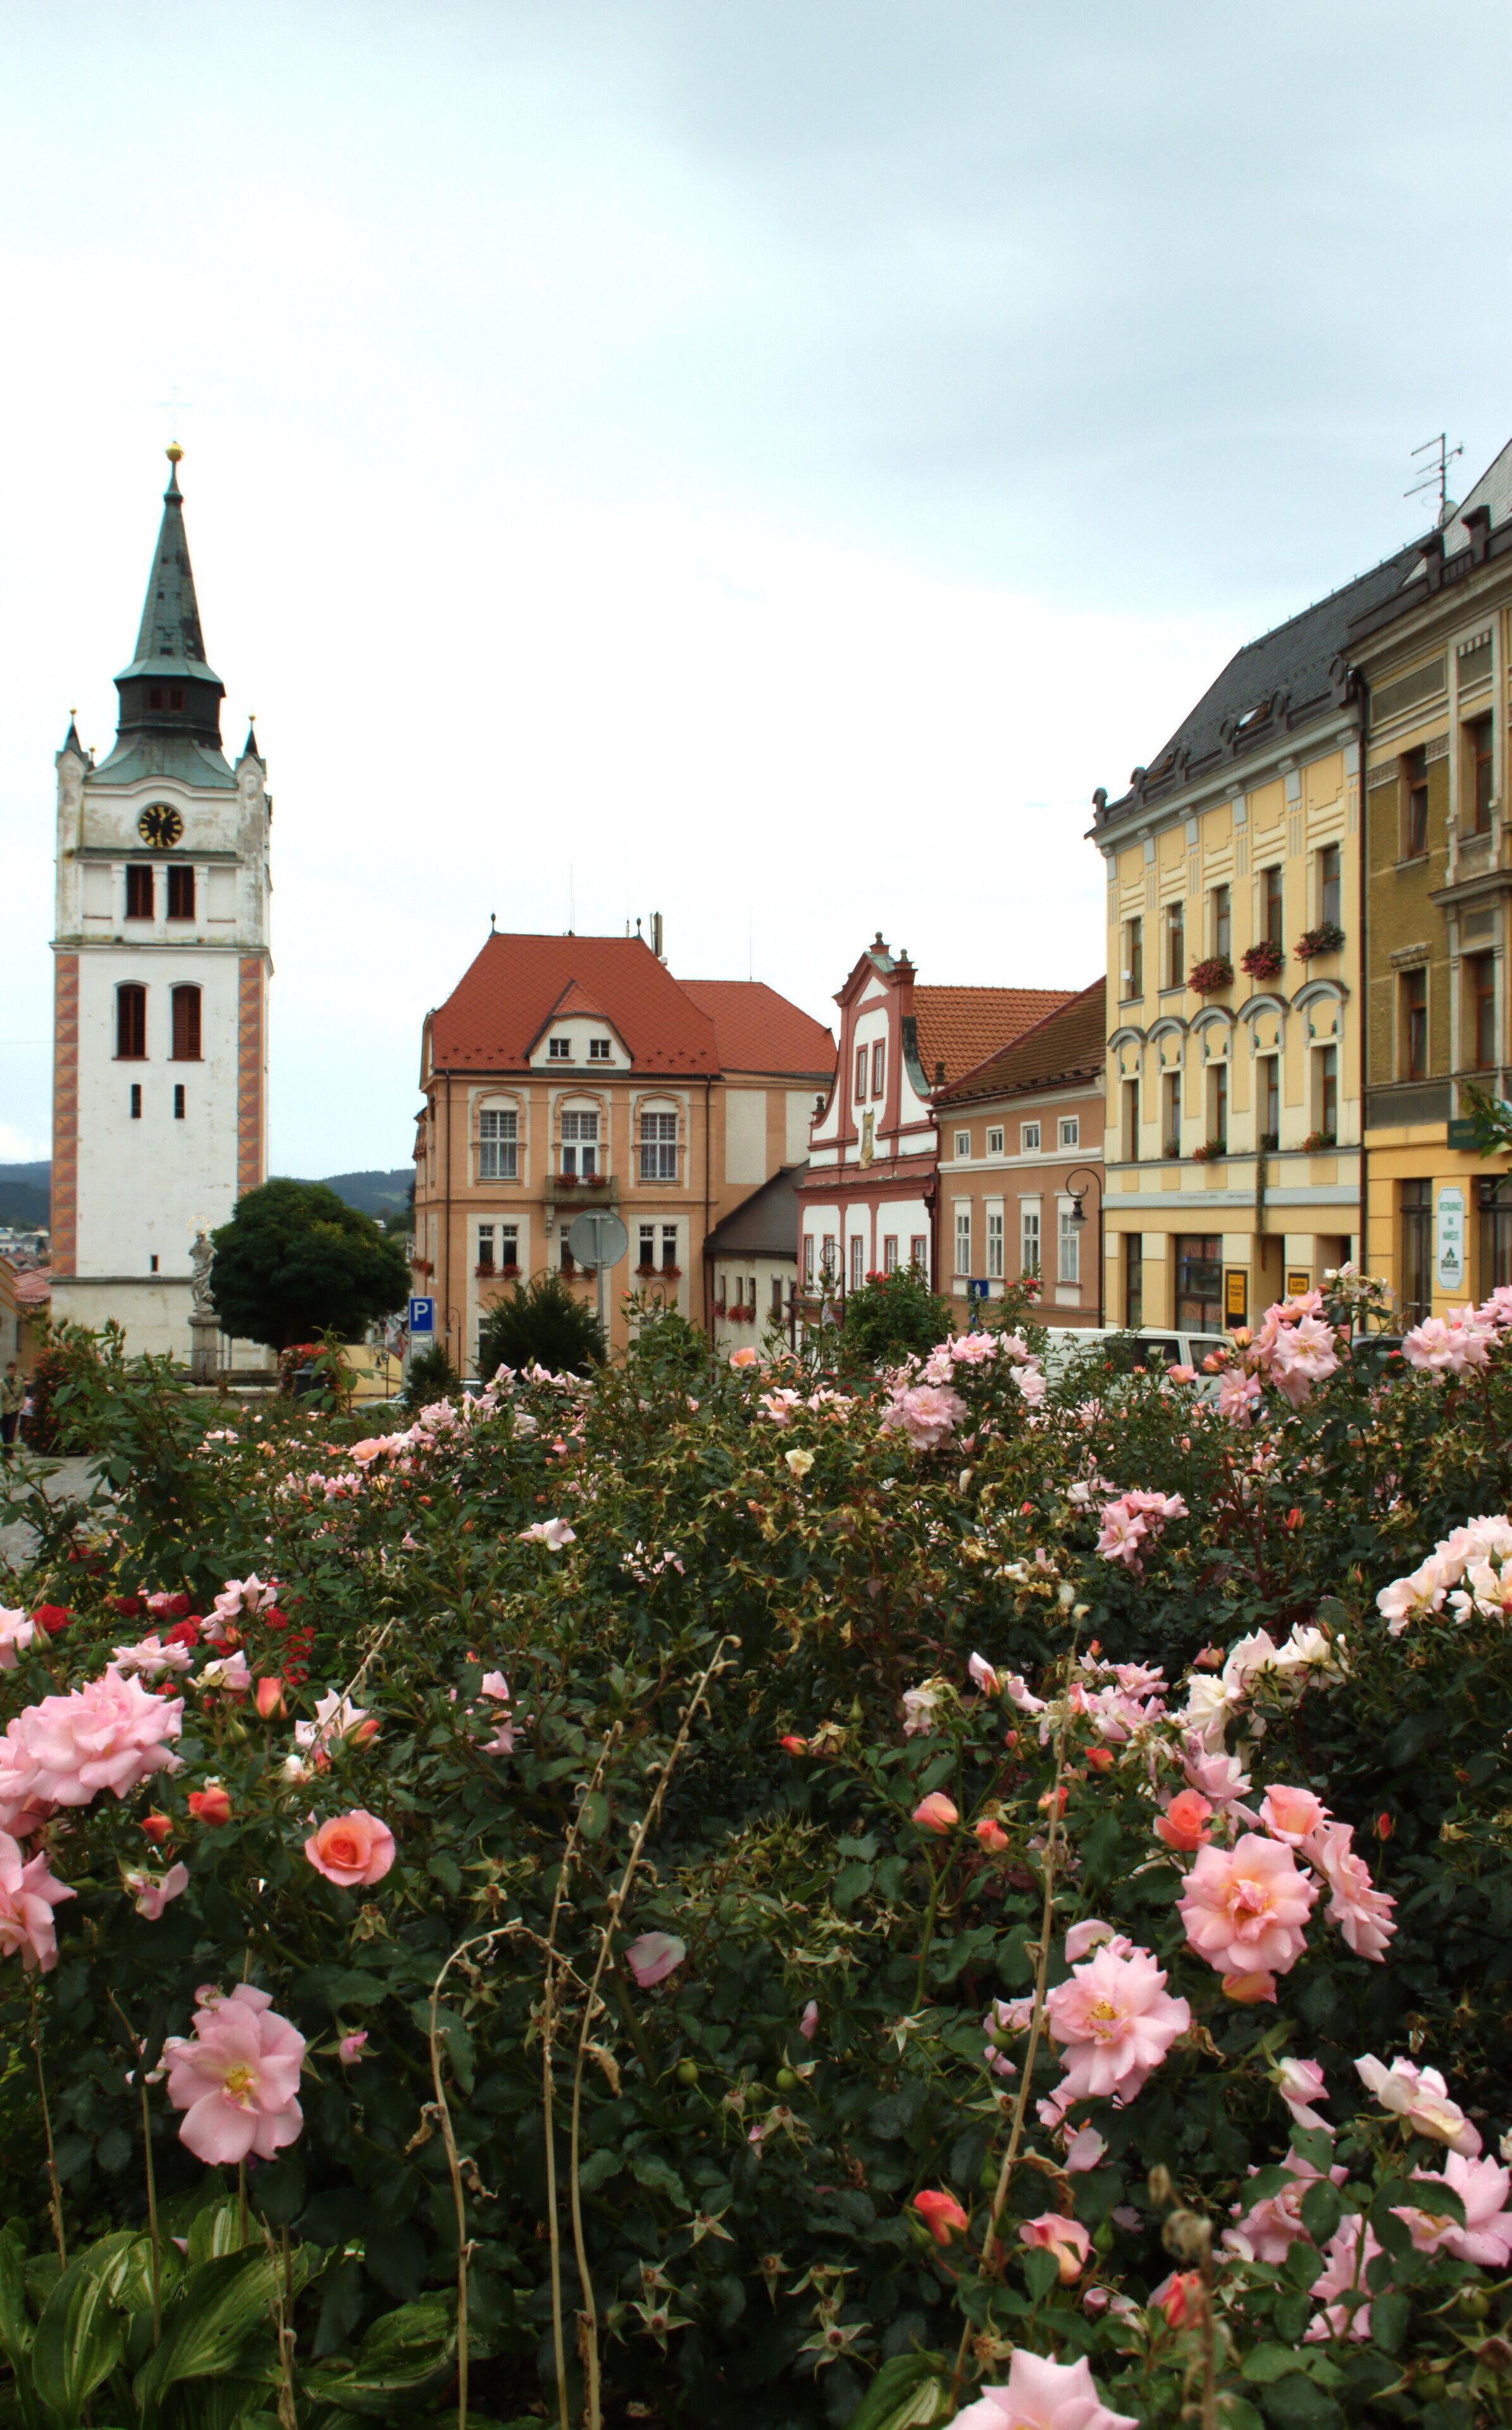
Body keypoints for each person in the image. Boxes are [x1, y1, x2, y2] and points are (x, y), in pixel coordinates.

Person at [0, 1361, 22, 1461]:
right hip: (4, 1410)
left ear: (15, 1370)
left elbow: (22, 1394)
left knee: (11, 1430)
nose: (11, 1372)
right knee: (5, 1432)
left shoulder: (19, 1382)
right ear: (7, 1371)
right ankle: (6, 1452)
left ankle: (10, 1452)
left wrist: (20, 1406)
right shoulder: (2, 1383)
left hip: (14, 1409)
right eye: (9, 1370)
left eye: (13, 1370)